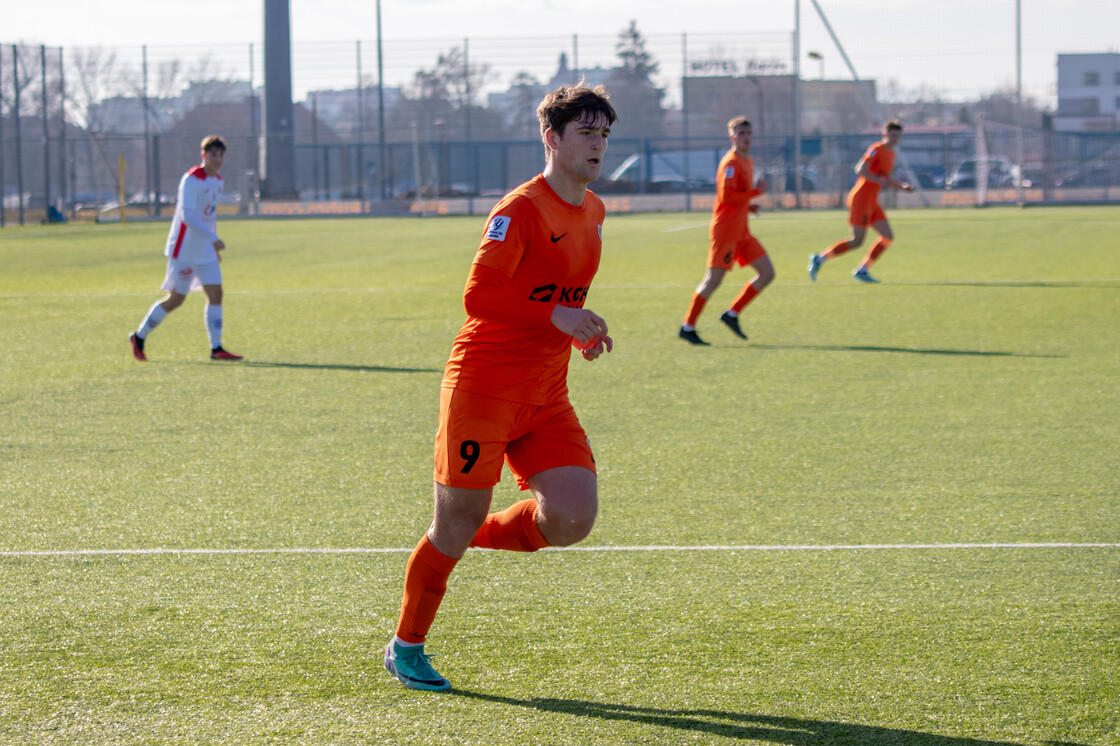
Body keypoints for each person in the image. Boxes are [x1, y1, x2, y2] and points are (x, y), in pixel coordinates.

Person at [383, 84, 617, 692]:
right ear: (553, 139)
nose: (597, 144)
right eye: (586, 133)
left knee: (572, 518)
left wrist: (578, 330)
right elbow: (479, 297)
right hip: (483, 389)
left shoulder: (593, 210)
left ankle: (464, 534)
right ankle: (405, 646)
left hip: (546, 394)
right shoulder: (519, 210)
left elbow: (558, 298)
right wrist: (557, 318)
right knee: (454, 523)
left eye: (604, 134)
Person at [128, 135, 242, 362]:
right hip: (184, 250)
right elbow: (187, 216)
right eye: (213, 154)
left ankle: (216, 348)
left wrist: (213, 247)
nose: (217, 159)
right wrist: (213, 238)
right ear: (203, 156)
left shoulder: (217, 181)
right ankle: (139, 336)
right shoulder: (191, 180)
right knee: (177, 299)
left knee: (216, 293)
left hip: (205, 251)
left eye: (221, 155)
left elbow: (209, 216)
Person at [679, 116, 773, 346]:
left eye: (748, 133)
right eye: (740, 133)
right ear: (731, 137)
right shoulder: (731, 163)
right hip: (726, 232)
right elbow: (726, 196)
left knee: (767, 273)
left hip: (742, 231)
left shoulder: (747, 161)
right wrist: (754, 193)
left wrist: (748, 205)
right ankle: (687, 327)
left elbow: (736, 197)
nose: (746, 137)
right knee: (713, 280)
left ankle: (732, 314)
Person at [808, 120, 914, 284]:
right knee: (857, 241)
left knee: (887, 237)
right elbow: (860, 169)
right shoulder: (876, 150)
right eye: (892, 135)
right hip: (861, 199)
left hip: (872, 202)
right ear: (884, 135)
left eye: (897, 136)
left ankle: (862, 270)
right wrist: (879, 180)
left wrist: (902, 187)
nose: (894, 139)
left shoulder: (891, 154)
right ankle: (819, 258)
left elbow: (884, 178)